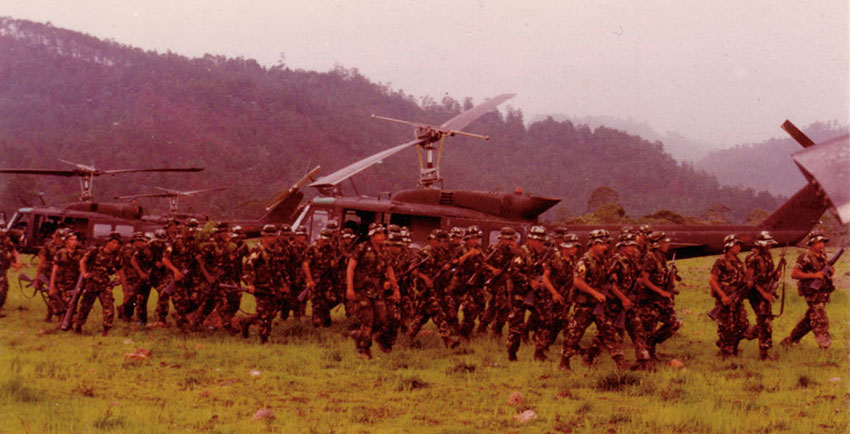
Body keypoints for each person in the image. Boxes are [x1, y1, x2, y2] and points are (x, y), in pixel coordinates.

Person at [559, 229, 628, 370]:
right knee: (574, 334)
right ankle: (564, 361)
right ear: (594, 244)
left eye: (606, 244)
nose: (605, 247)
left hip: (599, 306)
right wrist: (595, 293)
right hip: (584, 305)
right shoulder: (584, 261)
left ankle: (620, 363)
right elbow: (577, 281)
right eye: (602, 244)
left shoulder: (603, 260)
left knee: (609, 332)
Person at [346, 223, 400, 359]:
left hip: (377, 290)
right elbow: (351, 268)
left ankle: (358, 335)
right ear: (372, 236)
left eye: (383, 234)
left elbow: (389, 269)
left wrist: (395, 288)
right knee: (368, 319)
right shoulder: (361, 248)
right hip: (361, 289)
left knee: (382, 319)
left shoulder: (384, 250)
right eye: (379, 234)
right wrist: (350, 288)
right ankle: (364, 349)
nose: (382, 236)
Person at [782, 230, 836, 349]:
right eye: (819, 242)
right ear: (812, 243)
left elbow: (826, 272)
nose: (822, 244)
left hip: (822, 293)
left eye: (823, 242)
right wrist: (814, 276)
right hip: (812, 293)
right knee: (820, 320)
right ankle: (824, 346)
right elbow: (794, 274)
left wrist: (830, 272)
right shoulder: (805, 257)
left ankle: (790, 340)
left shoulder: (822, 256)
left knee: (809, 320)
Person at [637, 231, 681, 360]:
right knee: (649, 330)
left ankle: (651, 346)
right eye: (664, 242)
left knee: (674, 323)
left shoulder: (661, 257)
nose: (667, 244)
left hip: (661, 300)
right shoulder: (650, 257)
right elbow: (644, 279)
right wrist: (660, 291)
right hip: (650, 300)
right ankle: (648, 356)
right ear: (657, 244)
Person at [74, 232, 126, 335]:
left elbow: (121, 272)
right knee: (85, 307)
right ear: (108, 242)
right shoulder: (95, 252)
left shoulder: (117, 257)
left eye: (118, 243)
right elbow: (82, 261)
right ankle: (78, 326)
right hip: (91, 284)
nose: (115, 245)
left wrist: (125, 289)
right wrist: (84, 273)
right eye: (113, 243)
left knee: (109, 308)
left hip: (105, 285)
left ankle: (106, 330)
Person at [709, 234, 750, 358]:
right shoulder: (721, 262)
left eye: (739, 245)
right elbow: (713, 280)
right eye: (736, 245)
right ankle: (726, 354)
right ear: (729, 246)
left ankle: (726, 345)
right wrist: (722, 296)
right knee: (726, 326)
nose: (739, 247)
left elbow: (742, 280)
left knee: (742, 325)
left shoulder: (739, 262)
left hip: (737, 298)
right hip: (725, 298)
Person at [241, 224, 283, 343]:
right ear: (264, 237)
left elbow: (278, 269)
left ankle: (247, 321)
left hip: (273, 287)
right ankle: (264, 339)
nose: (274, 238)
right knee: (265, 314)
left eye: (275, 236)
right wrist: (250, 283)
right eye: (271, 236)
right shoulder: (257, 250)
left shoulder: (275, 250)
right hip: (261, 286)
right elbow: (248, 267)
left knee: (272, 312)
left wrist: (282, 284)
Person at [745, 231, 781, 360]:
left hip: (766, 292)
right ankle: (764, 354)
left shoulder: (768, 256)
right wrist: (764, 294)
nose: (769, 247)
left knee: (765, 321)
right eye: (767, 244)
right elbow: (750, 281)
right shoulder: (752, 258)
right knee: (765, 322)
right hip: (756, 294)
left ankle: (744, 334)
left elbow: (767, 274)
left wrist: (775, 275)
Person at [0, 229, 23, 317]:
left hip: (1, 268)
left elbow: (13, 249)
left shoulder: (4, 239)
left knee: (4, 287)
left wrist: (17, 261)